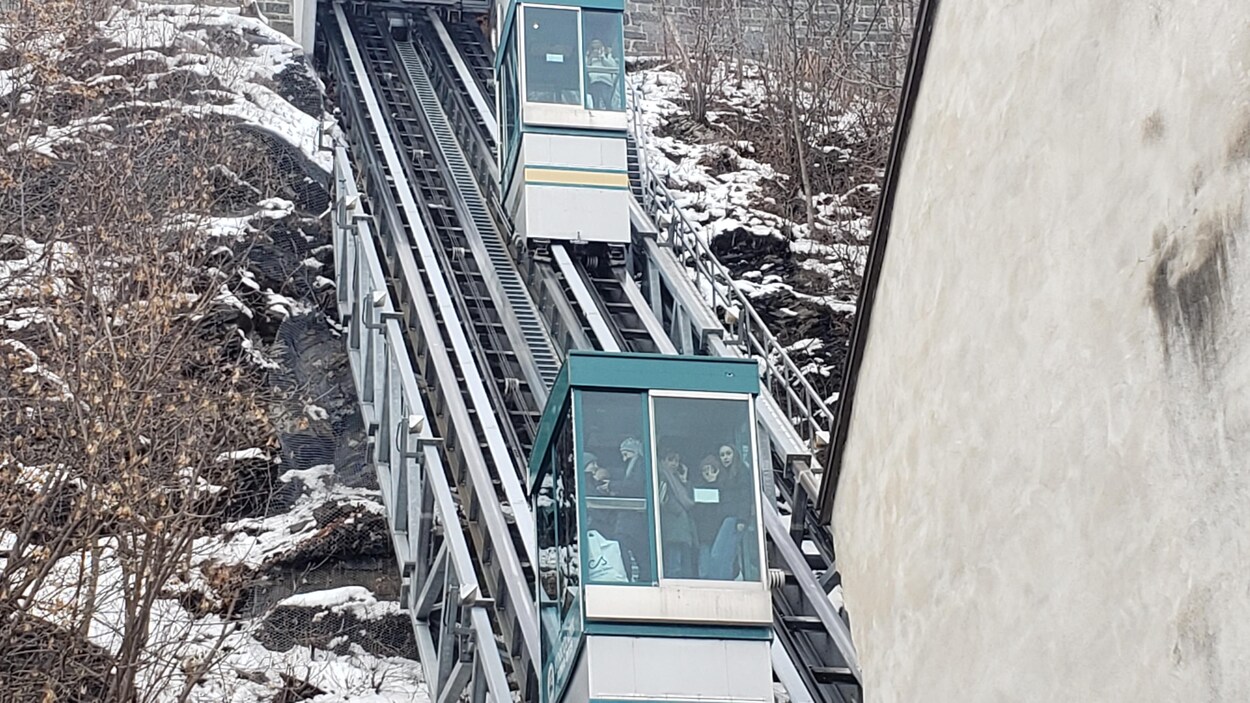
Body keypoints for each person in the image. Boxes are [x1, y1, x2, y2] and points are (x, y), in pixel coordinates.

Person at [691, 453, 750, 580]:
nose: (709, 473)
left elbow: (734, 504)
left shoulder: (726, 486)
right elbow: (695, 512)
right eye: (705, 471)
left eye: (713, 469)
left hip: (720, 530)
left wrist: (741, 519)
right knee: (704, 569)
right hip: (704, 536)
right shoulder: (697, 487)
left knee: (720, 561)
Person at [656, 447, 697, 578]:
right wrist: (678, 510)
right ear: (663, 461)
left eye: (677, 461)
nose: (674, 464)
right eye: (670, 460)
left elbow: (690, 500)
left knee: (684, 567)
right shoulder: (662, 476)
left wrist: (684, 480)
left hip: (682, 529)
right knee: (675, 566)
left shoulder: (677, 479)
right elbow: (662, 499)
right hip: (672, 528)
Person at [585, 38, 619, 110]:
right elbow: (584, 67)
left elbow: (613, 66)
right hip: (594, 81)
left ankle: (608, 110)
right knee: (596, 99)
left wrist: (603, 58)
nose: (596, 50)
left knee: (606, 100)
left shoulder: (607, 56)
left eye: (598, 48)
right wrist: (591, 58)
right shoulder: (588, 56)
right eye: (594, 48)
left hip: (606, 81)